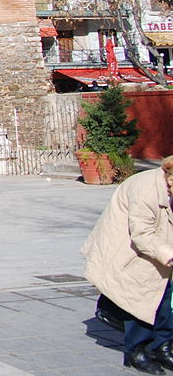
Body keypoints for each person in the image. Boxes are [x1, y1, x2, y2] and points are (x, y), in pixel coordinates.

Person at [82, 155, 173, 373]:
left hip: (160, 242)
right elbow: (142, 235)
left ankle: (162, 345)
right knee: (139, 293)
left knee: (167, 295)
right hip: (129, 246)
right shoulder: (147, 190)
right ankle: (136, 351)